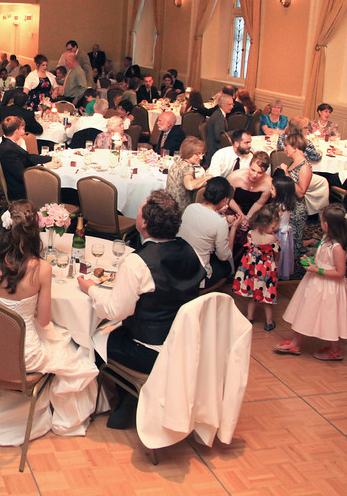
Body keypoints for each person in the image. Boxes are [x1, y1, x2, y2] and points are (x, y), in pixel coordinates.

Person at [0, 199, 96, 444]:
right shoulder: (42, 268)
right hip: (23, 356)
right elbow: (44, 321)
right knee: (72, 348)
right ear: (34, 233)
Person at [78, 190, 206, 428]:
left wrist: (91, 288)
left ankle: (125, 395)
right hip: (185, 341)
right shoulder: (190, 250)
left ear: (144, 223)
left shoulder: (138, 263)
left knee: (88, 335)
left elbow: (115, 311)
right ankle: (129, 396)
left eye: (139, 210)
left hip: (149, 351)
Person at [275, 204, 347, 360]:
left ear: (327, 225)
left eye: (321, 221)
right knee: (305, 311)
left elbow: (340, 272)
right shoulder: (325, 239)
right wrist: (311, 260)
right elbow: (323, 258)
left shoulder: (337, 247)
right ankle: (296, 343)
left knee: (330, 317)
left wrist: (317, 270)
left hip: (329, 287)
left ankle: (334, 349)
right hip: (316, 283)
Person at [178, 176, 241, 288]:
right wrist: (234, 228)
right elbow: (224, 256)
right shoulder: (219, 222)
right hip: (197, 271)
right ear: (225, 199)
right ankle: (199, 292)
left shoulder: (191, 207)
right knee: (226, 268)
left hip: (180, 261)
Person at [232, 204, 280, 330]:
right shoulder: (272, 238)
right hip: (266, 270)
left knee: (252, 294)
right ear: (265, 224)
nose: (274, 230)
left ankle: (250, 317)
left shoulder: (250, 233)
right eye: (273, 227)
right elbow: (277, 253)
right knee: (267, 296)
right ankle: (269, 322)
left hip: (252, 268)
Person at [0, 116, 60, 200]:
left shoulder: (9, 144)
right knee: (55, 185)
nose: (23, 132)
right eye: (22, 129)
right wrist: (45, 167)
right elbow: (22, 175)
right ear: (16, 131)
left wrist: (50, 158)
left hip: (22, 182)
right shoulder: (7, 150)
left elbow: (28, 157)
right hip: (21, 190)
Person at [226, 151, 272, 265]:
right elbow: (229, 199)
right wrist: (241, 215)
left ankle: (247, 264)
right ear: (249, 166)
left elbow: (259, 203)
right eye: (253, 170)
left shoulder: (269, 183)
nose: (255, 175)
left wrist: (248, 218)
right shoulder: (235, 177)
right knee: (234, 228)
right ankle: (230, 262)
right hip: (234, 207)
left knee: (252, 229)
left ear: (265, 172)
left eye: (260, 173)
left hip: (254, 211)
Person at [279, 133, 312, 257]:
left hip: (296, 210)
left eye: (287, 146)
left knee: (293, 248)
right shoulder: (293, 163)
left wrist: (286, 174)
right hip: (287, 206)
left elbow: (301, 192)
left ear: (295, 147)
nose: (285, 149)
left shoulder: (305, 167)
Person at [165, 136, 213, 212]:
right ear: (188, 152)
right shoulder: (188, 167)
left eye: (202, 154)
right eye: (197, 154)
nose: (201, 158)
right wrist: (207, 177)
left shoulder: (175, 164)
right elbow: (190, 185)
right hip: (181, 210)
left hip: (169, 207)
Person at [271, 169, 297, 280]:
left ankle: (276, 273)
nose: (270, 190)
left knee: (278, 255)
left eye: (272, 189)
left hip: (279, 234)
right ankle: (283, 271)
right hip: (286, 233)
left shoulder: (278, 207)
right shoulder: (287, 204)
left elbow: (275, 226)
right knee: (285, 254)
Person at [206, 94, 233, 162]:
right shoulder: (218, 117)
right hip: (215, 151)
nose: (232, 107)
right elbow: (219, 136)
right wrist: (234, 133)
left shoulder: (220, 114)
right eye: (229, 104)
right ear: (222, 104)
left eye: (232, 104)